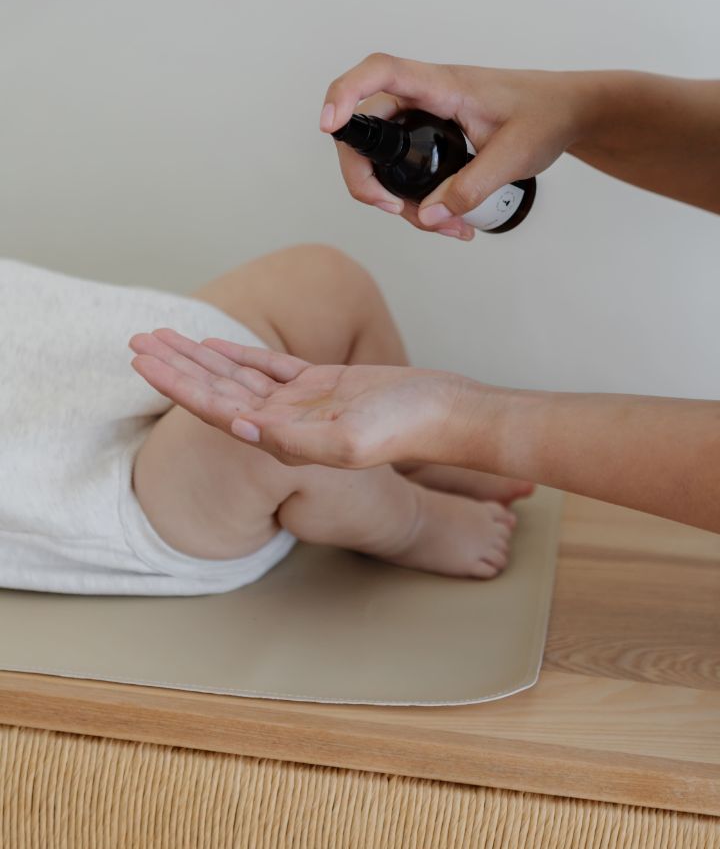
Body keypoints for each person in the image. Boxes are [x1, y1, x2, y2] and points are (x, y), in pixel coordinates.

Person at [130, 56, 720, 534]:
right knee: (321, 282)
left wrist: (468, 423)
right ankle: (410, 504)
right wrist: (579, 106)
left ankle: (407, 503)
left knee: (258, 426)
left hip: (108, 449)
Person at [0, 249, 530, 597]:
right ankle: (409, 520)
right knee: (269, 436)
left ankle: (404, 451)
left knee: (324, 281)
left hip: (124, 360)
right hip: (122, 484)